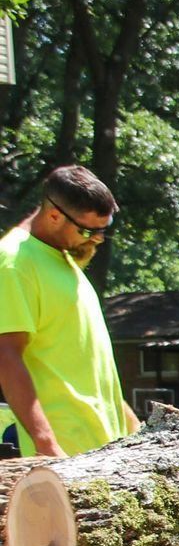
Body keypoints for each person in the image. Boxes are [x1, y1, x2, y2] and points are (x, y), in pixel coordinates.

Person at [0, 164, 138, 457]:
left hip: (105, 449)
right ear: (53, 216)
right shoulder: (14, 261)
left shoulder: (62, 258)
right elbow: (5, 355)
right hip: (64, 454)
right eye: (88, 229)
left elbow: (83, 365)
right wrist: (46, 444)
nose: (98, 238)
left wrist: (133, 427)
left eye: (104, 228)